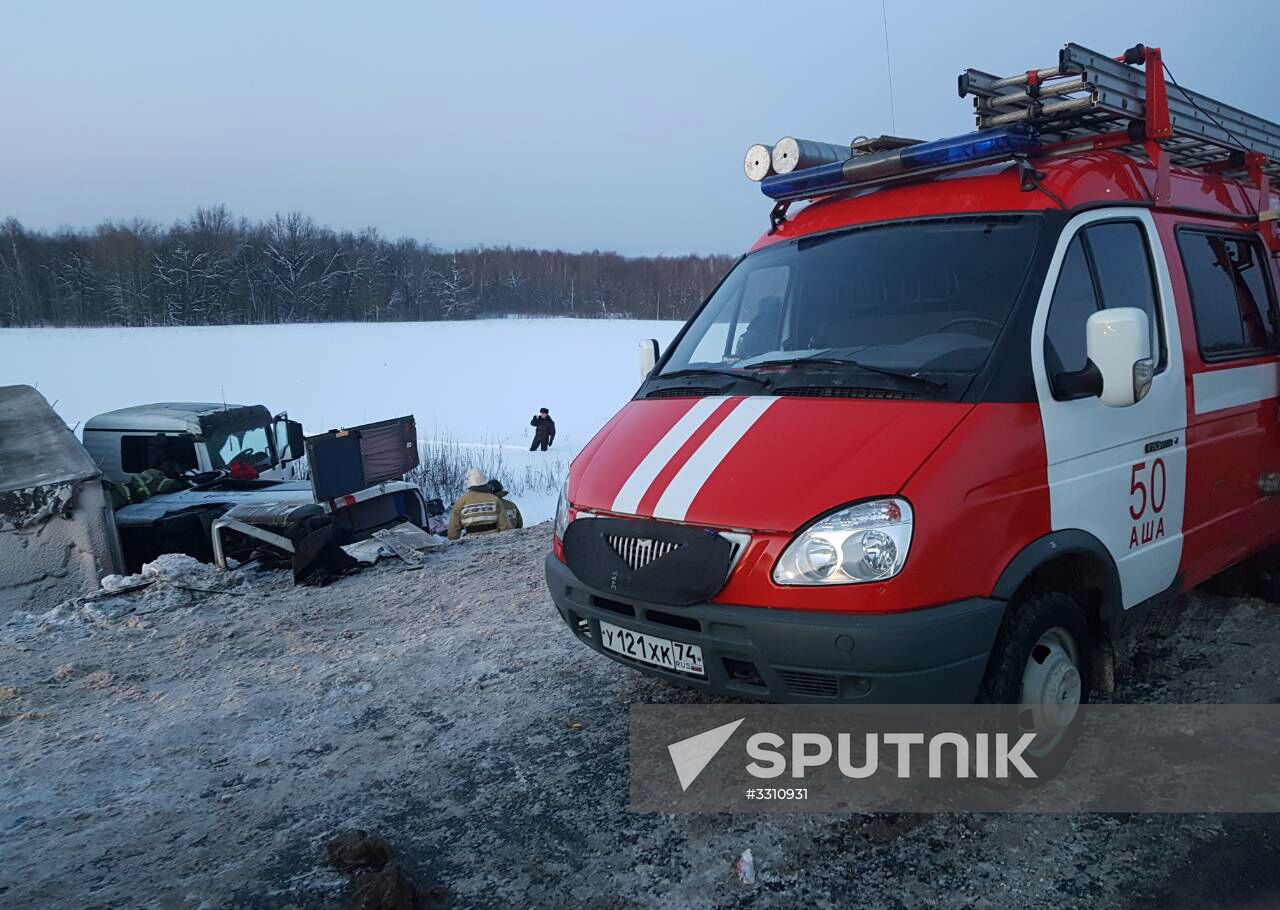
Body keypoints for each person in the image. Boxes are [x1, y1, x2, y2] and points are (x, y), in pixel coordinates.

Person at [447, 468, 513, 540]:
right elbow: (505, 527)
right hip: (493, 541)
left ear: (469, 483)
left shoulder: (460, 502)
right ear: (485, 482)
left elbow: (452, 533)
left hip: (470, 543)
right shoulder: (495, 500)